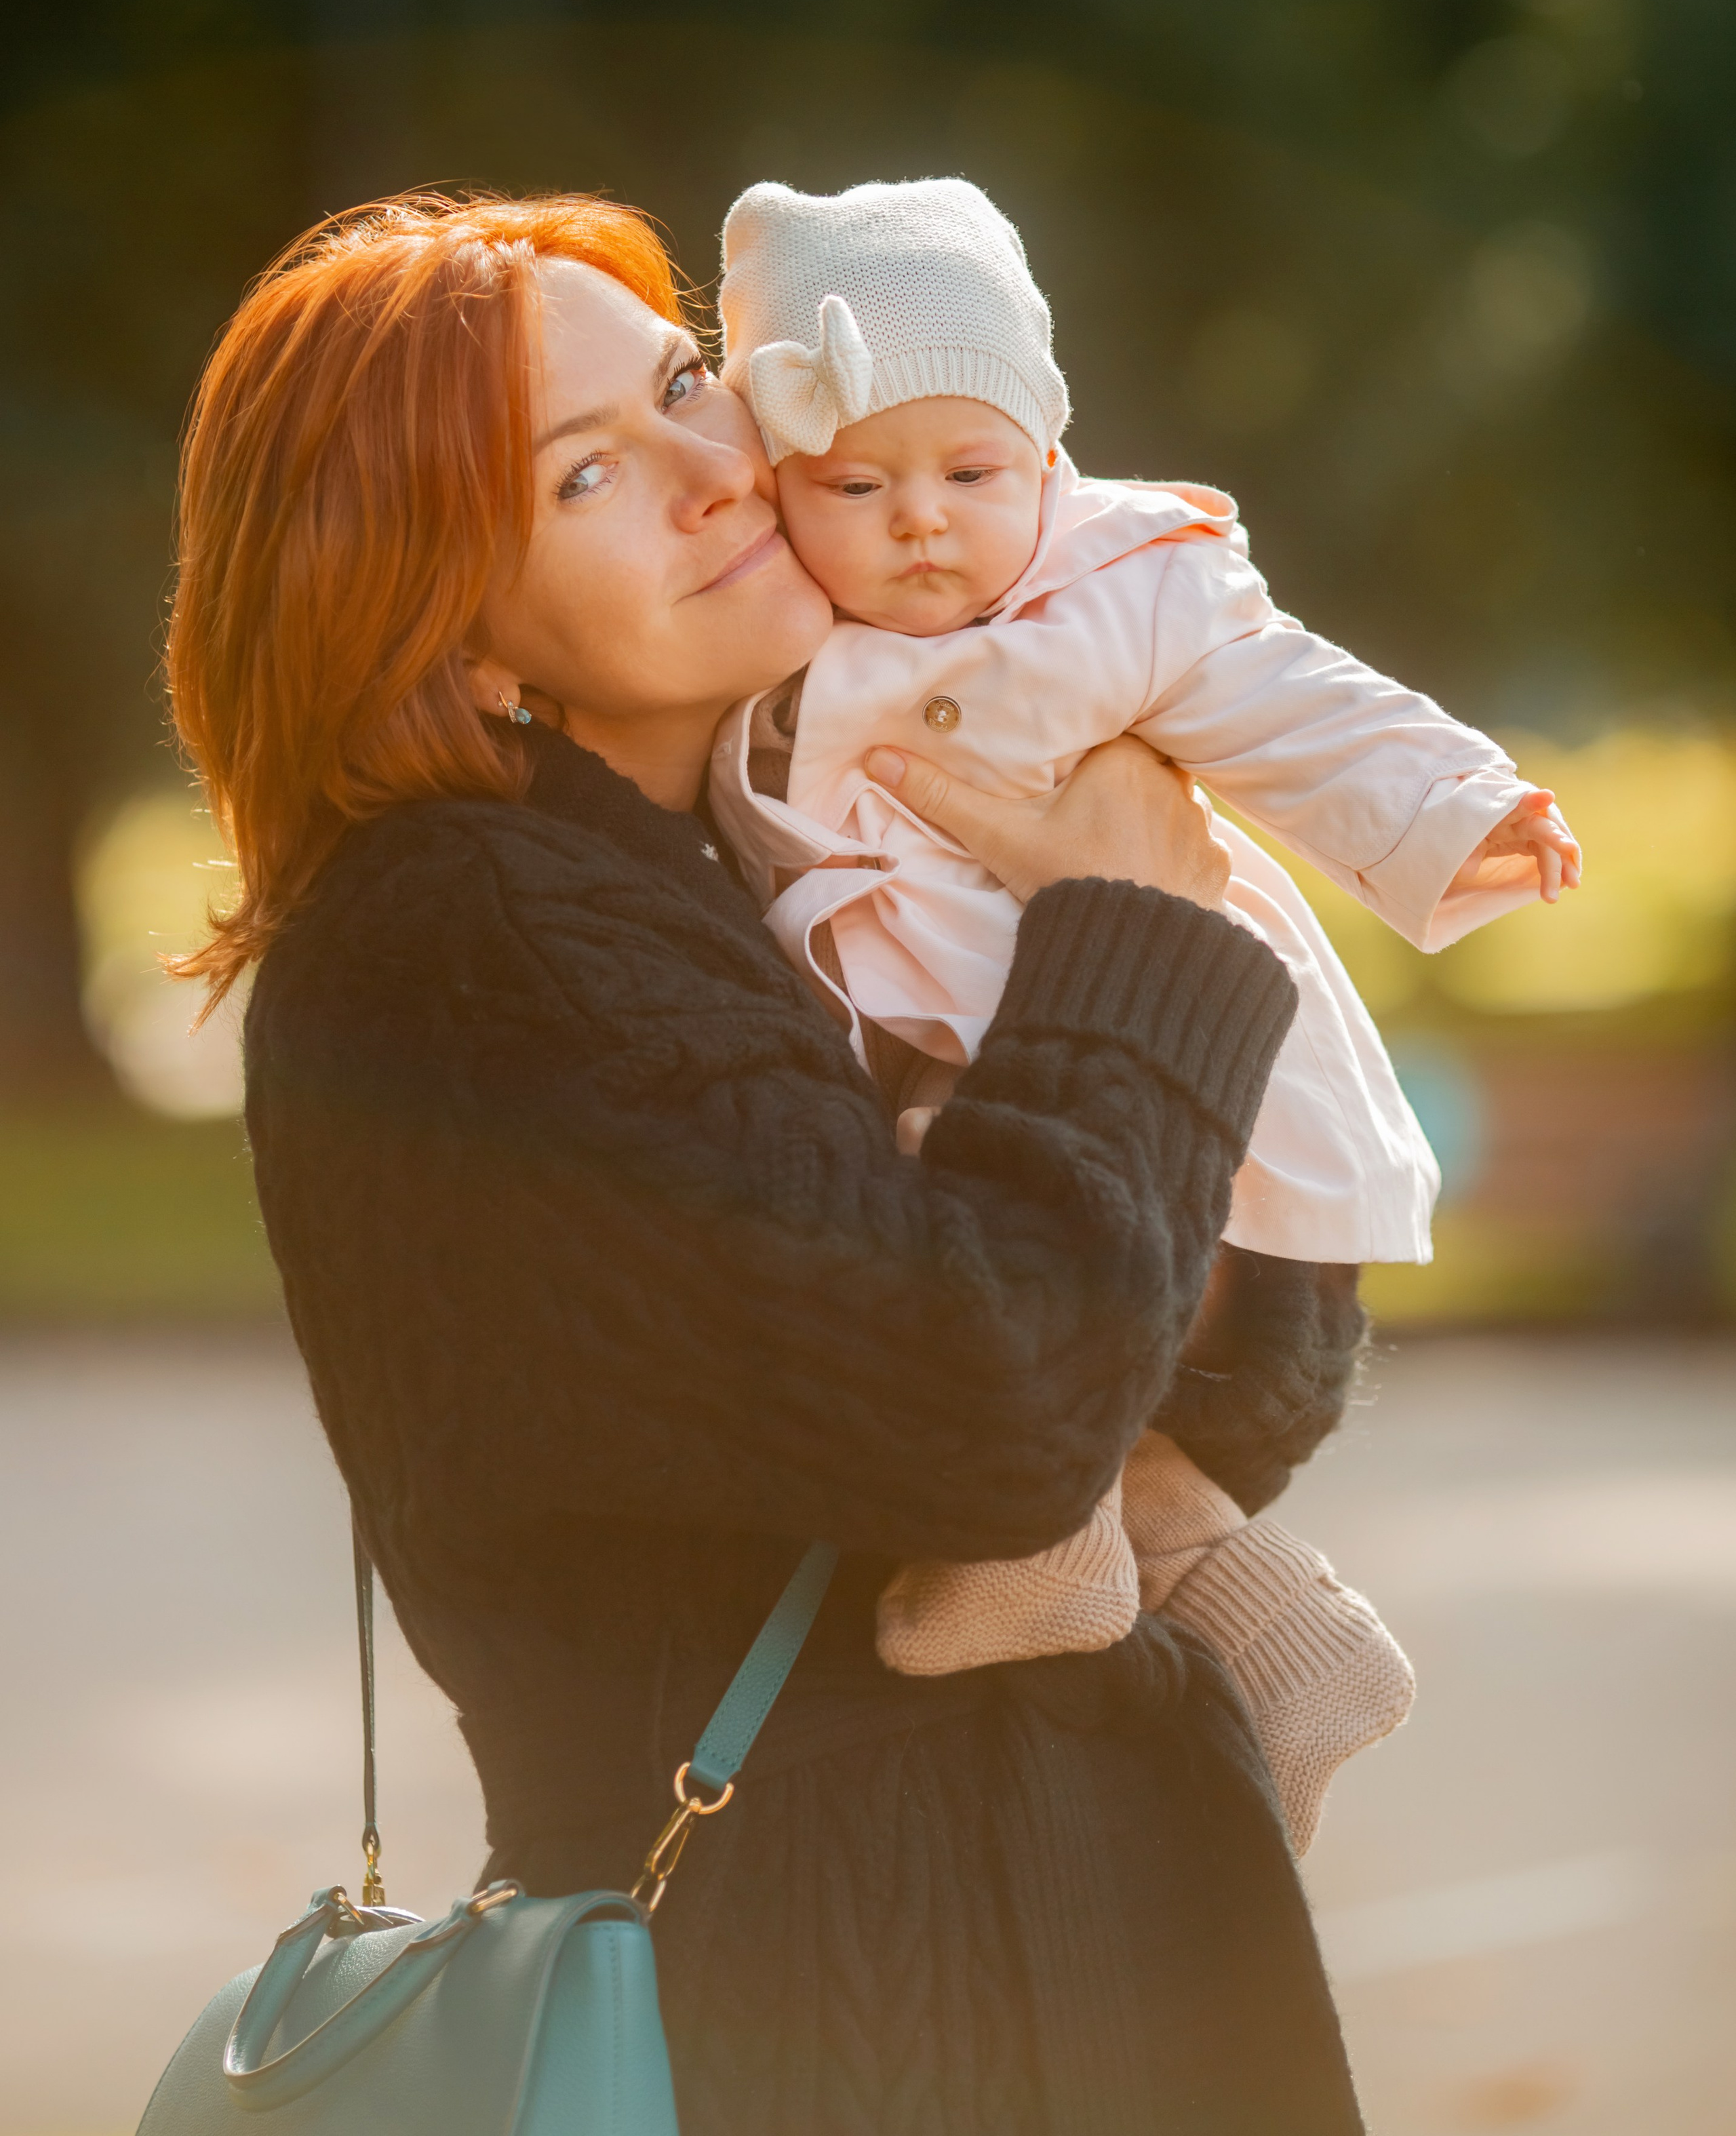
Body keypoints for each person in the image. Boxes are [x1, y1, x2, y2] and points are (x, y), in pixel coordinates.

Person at [169, 189, 1368, 2135]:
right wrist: (1130, 942)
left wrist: (1121, 916)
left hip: (1053, 1947)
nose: (717, 472)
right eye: (586, 472)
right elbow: (993, 1406)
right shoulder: (484, 937)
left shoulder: (791, 858)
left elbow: (1228, 1376)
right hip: (834, 1998)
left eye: (683, 387)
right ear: (443, 630)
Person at [706, 178, 1581, 1813]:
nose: (920, 522)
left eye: (971, 474)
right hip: (994, 1083)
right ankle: (1275, 1641)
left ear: (1048, 457)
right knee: (930, 1201)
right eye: (855, 482)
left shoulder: (1131, 590)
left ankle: (1017, 1549)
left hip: (1201, 1122)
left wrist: (1456, 803)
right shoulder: (764, 633)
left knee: (959, 1197)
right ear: (775, 485)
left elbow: (1301, 704)